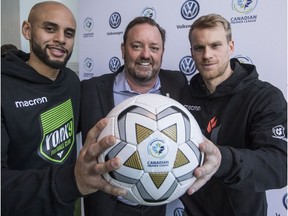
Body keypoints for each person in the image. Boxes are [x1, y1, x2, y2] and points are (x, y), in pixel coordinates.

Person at [1, 2, 125, 216]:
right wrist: (71, 180)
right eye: (50, 29)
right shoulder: (5, 88)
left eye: (69, 33)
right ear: (27, 30)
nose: (61, 39)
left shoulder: (71, 81)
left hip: (65, 207)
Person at [179, 13, 287, 216]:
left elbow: (280, 166)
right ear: (191, 52)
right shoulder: (183, 96)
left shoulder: (264, 97)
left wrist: (223, 159)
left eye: (215, 45)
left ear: (231, 46)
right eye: (199, 48)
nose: (207, 55)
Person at [80, 16, 188, 216]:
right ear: (123, 50)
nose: (146, 55)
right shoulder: (90, 89)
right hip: (107, 205)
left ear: (162, 51)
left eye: (154, 48)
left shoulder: (178, 83)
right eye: (137, 46)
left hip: (156, 205)